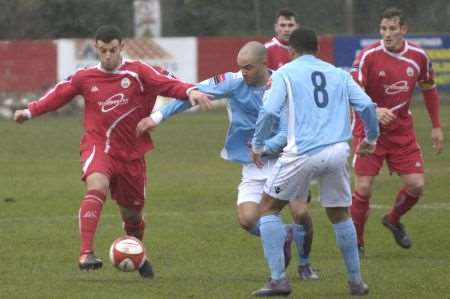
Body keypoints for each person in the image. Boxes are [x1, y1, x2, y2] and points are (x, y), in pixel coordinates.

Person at [13, 25, 212, 277]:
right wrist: (30, 111)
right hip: (99, 146)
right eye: (103, 50)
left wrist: (190, 91)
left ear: (122, 47)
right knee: (97, 184)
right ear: (96, 48)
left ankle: (135, 250)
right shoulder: (85, 77)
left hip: (132, 153)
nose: (108, 55)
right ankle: (86, 253)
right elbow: (58, 94)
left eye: (113, 50)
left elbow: (169, 84)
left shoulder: (139, 71)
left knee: (133, 214)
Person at [137, 41, 318, 280]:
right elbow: (190, 93)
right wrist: (157, 117)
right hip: (254, 164)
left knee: (300, 212)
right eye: (240, 67)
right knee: (247, 219)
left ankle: (305, 265)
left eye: (249, 67)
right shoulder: (233, 81)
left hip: (287, 159)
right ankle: (284, 235)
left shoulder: (284, 84)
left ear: (265, 64)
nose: (243, 72)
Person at [250, 28, 379, 297]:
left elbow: (270, 110)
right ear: (317, 49)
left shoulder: (285, 72)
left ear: (291, 50)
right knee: (339, 214)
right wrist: (371, 138)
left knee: (268, 208)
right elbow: (366, 105)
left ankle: (278, 280)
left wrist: (259, 144)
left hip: (303, 153)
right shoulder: (338, 73)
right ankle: (356, 282)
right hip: (337, 151)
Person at [349, 7, 444, 255]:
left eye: (392, 29)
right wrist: (375, 109)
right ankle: (357, 243)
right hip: (369, 130)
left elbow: (429, 88)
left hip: (401, 130)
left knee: (416, 186)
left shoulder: (419, 56)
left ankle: (392, 219)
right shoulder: (367, 56)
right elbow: (353, 91)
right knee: (363, 188)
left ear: (403, 29)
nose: (387, 34)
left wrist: (436, 126)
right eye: (383, 29)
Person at [265, 8, 317, 277]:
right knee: (258, 212)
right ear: (275, 28)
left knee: (299, 212)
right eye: (282, 24)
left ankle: (304, 263)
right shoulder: (263, 53)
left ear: (297, 28)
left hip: (297, 142)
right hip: (269, 142)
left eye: (290, 25)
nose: (286, 29)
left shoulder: (306, 58)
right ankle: (277, 269)